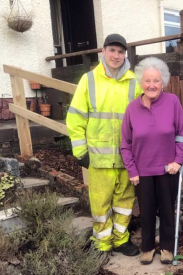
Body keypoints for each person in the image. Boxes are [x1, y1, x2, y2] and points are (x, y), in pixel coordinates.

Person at [66, 34, 142, 256]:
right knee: (100, 205)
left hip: (127, 158)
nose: (116, 56)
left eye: (120, 52)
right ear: (103, 52)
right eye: (112, 50)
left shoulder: (134, 83)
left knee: (125, 202)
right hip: (98, 159)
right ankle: (102, 243)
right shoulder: (88, 80)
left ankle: (121, 240)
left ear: (125, 55)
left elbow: (143, 121)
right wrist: (80, 152)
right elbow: (75, 118)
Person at [121, 57, 183, 265]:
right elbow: (125, 143)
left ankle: (167, 248)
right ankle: (148, 248)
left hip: (167, 169)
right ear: (141, 82)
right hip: (142, 171)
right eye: (148, 80)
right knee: (147, 211)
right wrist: (132, 170)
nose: (152, 85)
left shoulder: (172, 102)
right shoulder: (132, 108)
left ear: (163, 83)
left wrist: (177, 161)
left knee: (168, 211)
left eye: (156, 81)